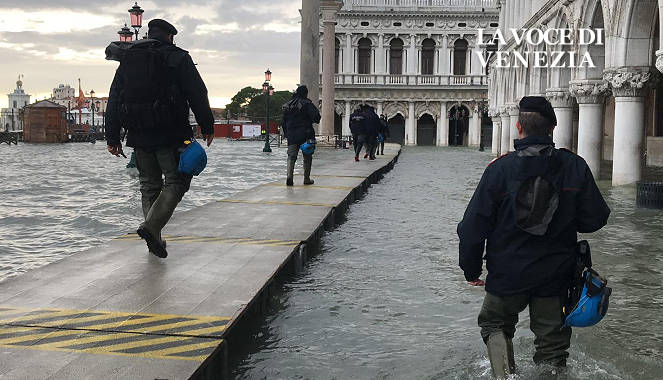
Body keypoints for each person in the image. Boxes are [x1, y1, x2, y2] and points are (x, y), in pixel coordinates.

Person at [457, 96, 610, 378]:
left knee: (494, 326)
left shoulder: (498, 170)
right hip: (555, 276)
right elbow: (597, 218)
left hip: (507, 274)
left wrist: (471, 269)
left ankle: (505, 375)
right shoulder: (574, 166)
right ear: (553, 128)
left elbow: (471, 228)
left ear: (518, 127)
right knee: (552, 348)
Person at [105, 19, 215, 259]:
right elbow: (197, 92)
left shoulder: (129, 59)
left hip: (137, 133)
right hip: (171, 133)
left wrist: (112, 136)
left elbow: (114, 98)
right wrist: (207, 125)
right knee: (177, 181)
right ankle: (152, 227)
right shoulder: (177, 57)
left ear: (147, 34)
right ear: (170, 37)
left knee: (149, 185)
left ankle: (155, 233)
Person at [281, 85, 321, 186]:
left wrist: (287, 134)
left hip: (292, 134)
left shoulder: (288, 105)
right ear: (306, 93)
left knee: (291, 156)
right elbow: (317, 117)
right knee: (307, 156)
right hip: (306, 134)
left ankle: (289, 177)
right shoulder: (307, 103)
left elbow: (283, 122)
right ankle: (306, 179)